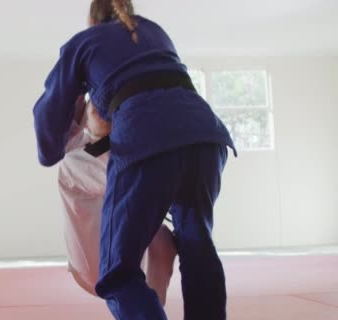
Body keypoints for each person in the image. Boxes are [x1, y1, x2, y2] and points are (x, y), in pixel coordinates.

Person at [32, 0, 237, 319]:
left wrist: (51, 146)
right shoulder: (154, 32)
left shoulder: (84, 43)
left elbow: (48, 118)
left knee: (118, 274)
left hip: (146, 145)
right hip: (205, 139)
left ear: (92, 20)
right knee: (198, 252)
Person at [59, 95, 177, 306]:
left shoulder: (126, 152)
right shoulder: (75, 162)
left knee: (162, 239)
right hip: (93, 268)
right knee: (73, 165)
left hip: (125, 264)